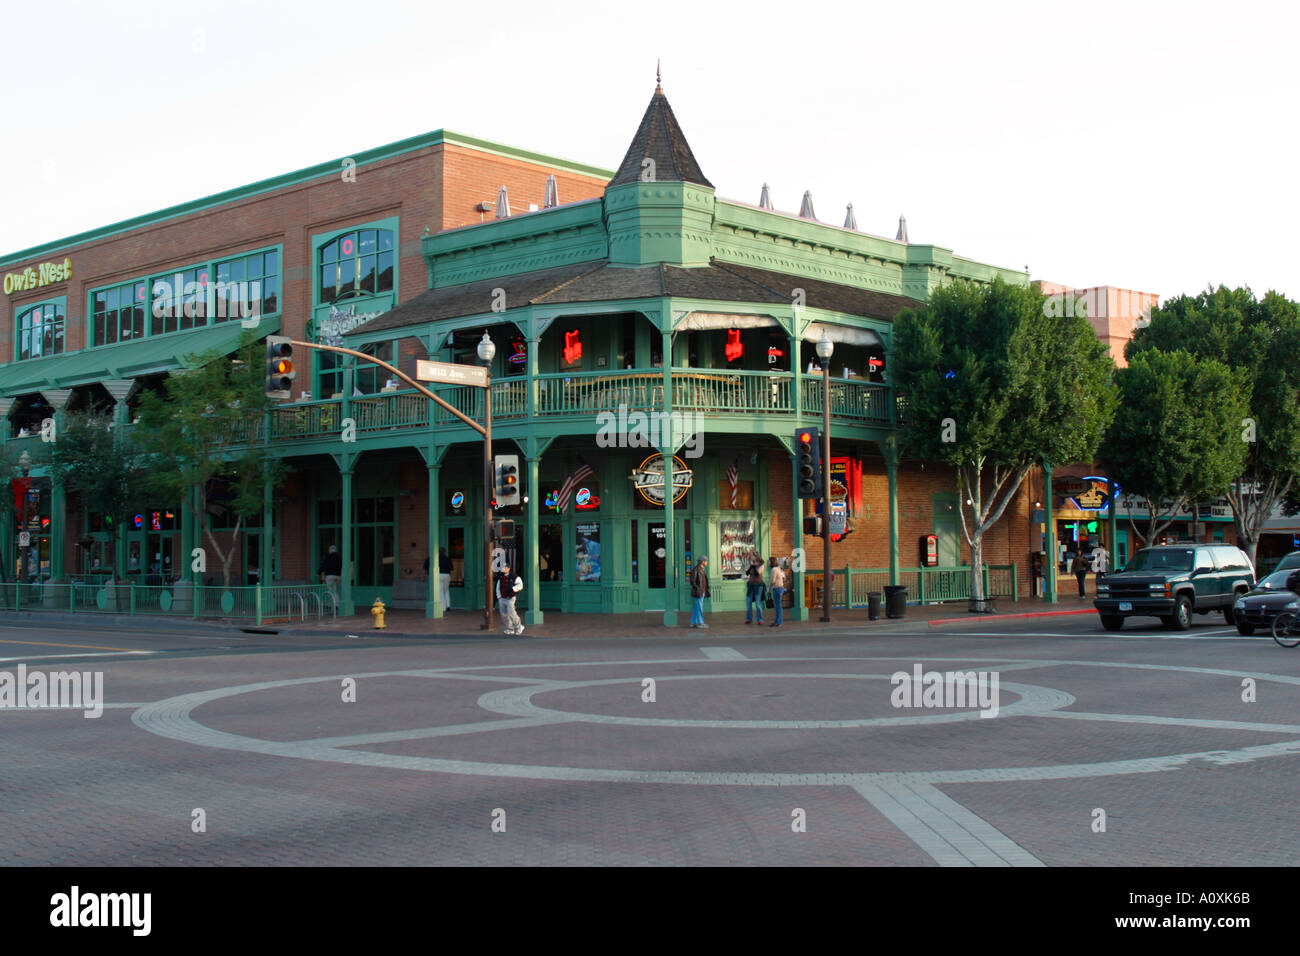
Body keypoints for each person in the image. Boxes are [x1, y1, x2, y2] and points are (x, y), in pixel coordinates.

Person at [495, 563, 524, 635]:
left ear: (508, 568)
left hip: (510, 598)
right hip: (502, 598)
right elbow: (498, 587)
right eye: (503, 568)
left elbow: (520, 585)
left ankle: (519, 627)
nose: (503, 569)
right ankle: (510, 628)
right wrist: (499, 596)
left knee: (511, 613)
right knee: (503, 614)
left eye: (505, 567)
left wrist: (513, 589)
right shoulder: (501, 577)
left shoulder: (514, 576)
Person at [744, 554, 765, 625]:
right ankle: (749, 618)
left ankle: (760, 619)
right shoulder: (751, 565)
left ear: (756, 557)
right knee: (748, 602)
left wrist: (753, 565)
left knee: (757, 603)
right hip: (750, 585)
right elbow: (747, 573)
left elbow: (758, 573)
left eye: (752, 556)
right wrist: (750, 566)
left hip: (758, 585)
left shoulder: (761, 565)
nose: (751, 557)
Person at [689, 557, 710, 628]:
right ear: (702, 562)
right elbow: (692, 581)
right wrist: (698, 589)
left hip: (702, 591)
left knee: (696, 607)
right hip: (699, 591)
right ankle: (700, 623)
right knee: (699, 607)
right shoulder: (696, 570)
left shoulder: (701, 569)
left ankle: (693, 622)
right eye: (706, 561)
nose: (707, 562)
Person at [768, 556, 787, 627]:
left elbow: (772, 581)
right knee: (777, 606)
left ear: (772, 562)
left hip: (777, 589)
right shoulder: (778, 568)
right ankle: (777, 622)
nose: (768, 563)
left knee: (778, 607)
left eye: (769, 561)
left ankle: (779, 622)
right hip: (780, 588)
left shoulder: (774, 569)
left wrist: (769, 589)